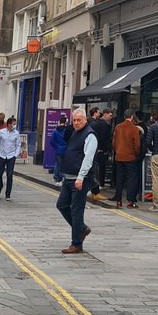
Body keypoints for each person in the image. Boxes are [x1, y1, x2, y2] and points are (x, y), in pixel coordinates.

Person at [56, 108, 98, 254]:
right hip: (68, 178)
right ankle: (82, 229)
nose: (76, 122)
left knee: (76, 211)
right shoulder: (75, 132)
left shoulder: (90, 135)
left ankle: (76, 244)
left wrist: (80, 177)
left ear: (85, 120)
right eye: (74, 120)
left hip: (80, 180)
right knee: (61, 205)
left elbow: (88, 159)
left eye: (79, 120)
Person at [112, 109, 142, 207]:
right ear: (132, 117)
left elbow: (113, 143)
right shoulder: (134, 129)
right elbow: (137, 145)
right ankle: (130, 201)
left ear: (124, 117)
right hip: (130, 157)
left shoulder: (117, 127)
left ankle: (118, 200)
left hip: (119, 156)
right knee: (131, 179)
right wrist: (136, 154)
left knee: (120, 178)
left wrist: (117, 151)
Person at [0, 117, 22, 200]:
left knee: (9, 174)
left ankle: (8, 194)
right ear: (9, 124)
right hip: (1, 156)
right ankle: (0, 186)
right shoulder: (1, 132)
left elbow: (18, 145)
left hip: (11, 156)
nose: (15, 126)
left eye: (15, 124)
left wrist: (15, 155)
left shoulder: (16, 133)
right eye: (14, 124)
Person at [89, 108, 113, 199]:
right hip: (101, 150)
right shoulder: (104, 125)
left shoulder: (96, 123)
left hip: (96, 148)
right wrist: (109, 149)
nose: (111, 118)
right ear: (105, 115)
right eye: (110, 115)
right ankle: (99, 185)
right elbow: (105, 138)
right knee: (100, 167)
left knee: (96, 168)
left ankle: (96, 186)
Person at [49, 114, 70, 183]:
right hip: (66, 149)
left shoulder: (55, 131)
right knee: (65, 165)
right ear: (66, 122)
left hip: (59, 150)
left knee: (58, 164)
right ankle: (63, 178)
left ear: (59, 121)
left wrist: (57, 147)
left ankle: (57, 178)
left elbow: (51, 141)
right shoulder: (67, 130)